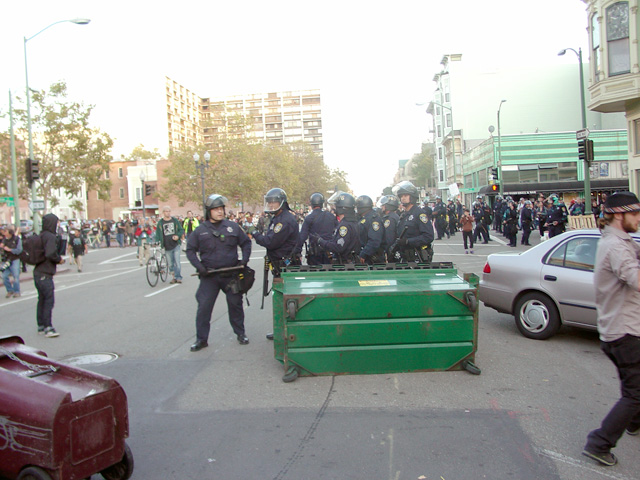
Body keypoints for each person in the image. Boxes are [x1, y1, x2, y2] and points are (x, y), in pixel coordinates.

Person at [582, 192, 640, 467]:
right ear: (620, 215)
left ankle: (635, 421)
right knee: (635, 392)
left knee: (634, 388)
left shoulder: (617, 241)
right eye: (635, 214)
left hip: (617, 330)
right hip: (625, 332)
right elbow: (635, 276)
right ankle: (599, 443)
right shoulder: (616, 247)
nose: (639, 219)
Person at [186, 194, 252, 352]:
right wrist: (199, 267)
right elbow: (190, 250)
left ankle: (240, 333)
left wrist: (244, 261)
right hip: (210, 276)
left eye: (221, 208)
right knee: (204, 308)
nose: (220, 212)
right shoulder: (200, 230)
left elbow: (246, 243)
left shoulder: (233, 227)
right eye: (216, 209)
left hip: (231, 275)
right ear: (208, 211)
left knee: (235, 305)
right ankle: (201, 339)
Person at [250, 188, 299, 340]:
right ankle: (280, 330)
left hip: (286, 267)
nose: (271, 205)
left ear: (282, 203)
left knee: (286, 300)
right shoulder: (277, 218)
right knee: (280, 299)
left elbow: (270, 242)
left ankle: (287, 332)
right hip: (279, 266)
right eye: (269, 202)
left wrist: (255, 233)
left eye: (274, 202)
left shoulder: (284, 220)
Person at [35, 213, 65, 337]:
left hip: (38, 271)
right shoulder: (50, 237)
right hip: (46, 272)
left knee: (41, 299)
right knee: (48, 300)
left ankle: (41, 325)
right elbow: (50, 253)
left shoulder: (41, 235)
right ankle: (48, 327)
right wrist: (59, 259)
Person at [392, 181, 434, 263]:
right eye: (401, 196)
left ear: (412, 197)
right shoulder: (403, 216)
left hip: (417, 259)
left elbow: (428, 236)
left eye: (405, 195)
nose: (403, 198)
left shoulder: (420, 214)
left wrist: (409, 241)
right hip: (405, 258)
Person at [314, 192, 360, 263]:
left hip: (345, 264)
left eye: (336, 206)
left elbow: (338, 247)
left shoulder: (345, 226)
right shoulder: (352, 222)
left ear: (342, 208)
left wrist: (321, 241)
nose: (334, 208)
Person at [295, 192, 337, 265]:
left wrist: (297, 252)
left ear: (311, 204)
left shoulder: (309, 218)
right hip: (329, 251)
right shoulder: (331, 216)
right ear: (322, 203)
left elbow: (302, 237)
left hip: (315, 253)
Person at [156, 206, 185, 284]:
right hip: (166, 245)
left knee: (177, 262)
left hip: (175, 245)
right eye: (166, 211)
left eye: (169, 211)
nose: (168, 213)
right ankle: (173, 277)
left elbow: (181, 229)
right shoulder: (160, 223)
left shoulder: (174, 221)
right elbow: (158, 234)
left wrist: (178, 236)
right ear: (163, 213)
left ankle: (178, 277)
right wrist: (156, 241)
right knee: (170, 264)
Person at [355, 195, 384, 264]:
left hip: (371, 259)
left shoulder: (374, 219)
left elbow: (374, 241)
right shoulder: (365, 218)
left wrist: (364, 254)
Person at [0, 225, 23, 298]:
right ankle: (9, 290)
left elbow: (19, 250)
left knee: (15, 276)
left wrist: (10, 250)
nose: (4, 232)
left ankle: (17, 291)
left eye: (6, 231)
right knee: (4, 276)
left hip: (14, 259)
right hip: (6, 260)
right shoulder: (4, 240)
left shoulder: (16, 239)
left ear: (10, 232)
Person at [379, 195, 400, 261]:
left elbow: (389, 237)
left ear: (387, 206)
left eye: (383, 205)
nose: (381, 207)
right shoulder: (395, 216)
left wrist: (385, 249)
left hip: (392, 251)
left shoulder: (389, 219)